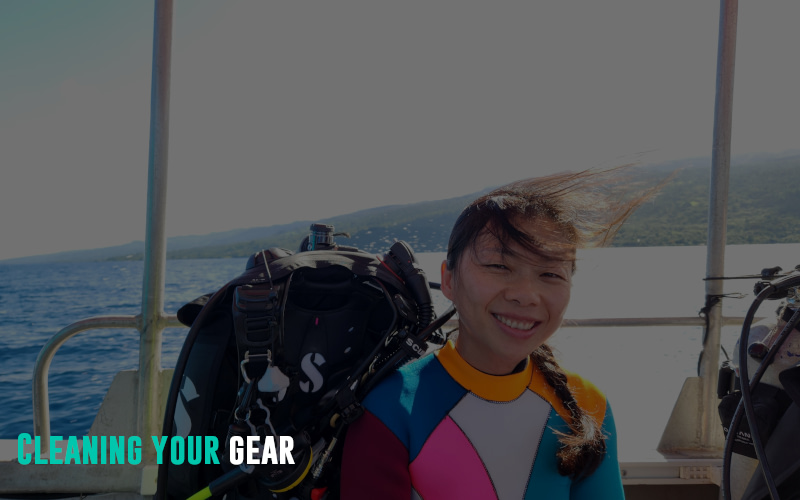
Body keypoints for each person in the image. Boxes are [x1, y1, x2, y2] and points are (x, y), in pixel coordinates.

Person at [340, 169, 657, 499]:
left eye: (550, 273)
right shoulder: (390, 409)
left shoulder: (588, 406)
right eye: (499, 266)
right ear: (449, 281)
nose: (526, 294)